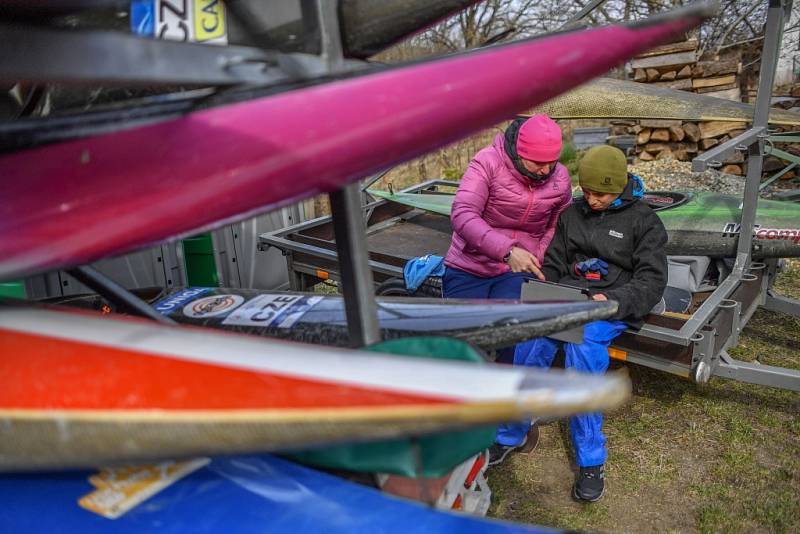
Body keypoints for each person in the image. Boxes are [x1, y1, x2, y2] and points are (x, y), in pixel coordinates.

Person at [489, 145, 668, 503]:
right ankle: (512, 433)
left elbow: (651, 280)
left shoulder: (645, 222)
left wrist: (612, 302)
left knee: (582, 353)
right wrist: (545, 288)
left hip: (611, 306)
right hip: (570, 298)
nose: (592, 199)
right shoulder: (573, 215)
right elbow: (555, 263)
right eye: (586, 191)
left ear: (619, 186)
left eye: (600, 193)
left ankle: (590, 459)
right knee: (528, 342)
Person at [443, 114, 573, 364]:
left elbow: (558, 223)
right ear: (518, 152)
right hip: (471, 266)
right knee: (467, 345)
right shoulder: (487, 162)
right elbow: (463, 214)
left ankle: (504, 394)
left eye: (552, 162)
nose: (545, 170)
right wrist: (507, 251)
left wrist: (538, 254)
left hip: (518, 270)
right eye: (537, 162)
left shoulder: (560, 177)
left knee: (513, 340)